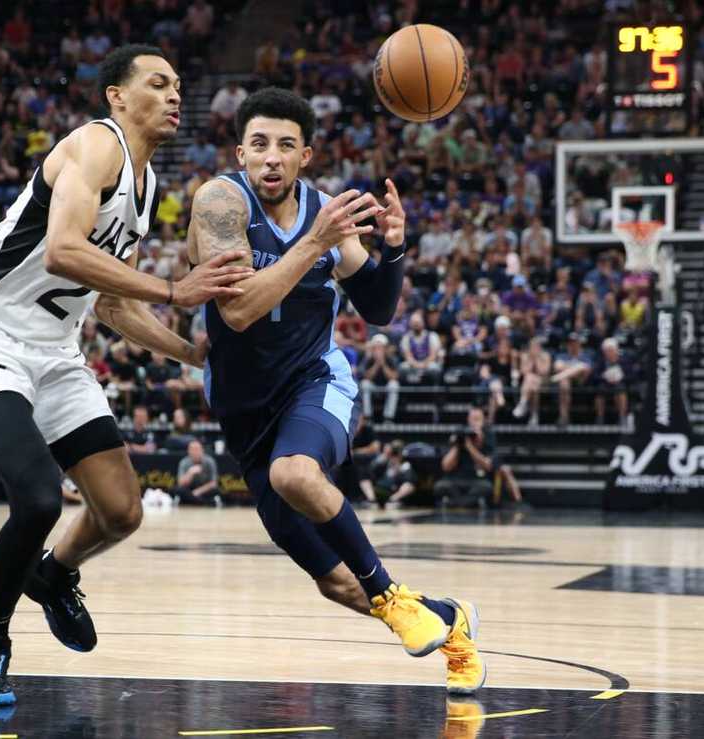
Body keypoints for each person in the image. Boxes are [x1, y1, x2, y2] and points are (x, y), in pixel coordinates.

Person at [0, 45, 252, 706]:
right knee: (41, 497)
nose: (173, 95)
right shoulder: (92, 146)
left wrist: (192, 355)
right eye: (157, 83)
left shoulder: (146, 184)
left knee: (122, 510)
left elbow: (110, 306)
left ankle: (50, 576)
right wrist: (174, 289)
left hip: (54, 349)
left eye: (178, 85)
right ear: (115, 96)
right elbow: (64, 249)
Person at [186, 87, 483, 694]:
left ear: (307, 156)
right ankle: (451, 621)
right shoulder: (220, 202)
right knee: (335, 582)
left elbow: (376, 308)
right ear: (240, 152)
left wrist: (393, 247)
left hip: (314, 382)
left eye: (286, 146)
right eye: (260, 145)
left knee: (293, 475)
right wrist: (315, 245)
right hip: (245, 416)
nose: (271, 157)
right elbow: (239, 312)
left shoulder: (327, 213)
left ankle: (392, 595)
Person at [434, 407, 496, 508]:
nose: (475, 423)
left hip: (477, 479)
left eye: (478, 419)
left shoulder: (488, 436)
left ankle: (455, 503)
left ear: (483, 421)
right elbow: (445, 466)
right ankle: (468, 503)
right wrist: (458, 445)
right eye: (473, 419)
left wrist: (471, 447)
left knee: (487, 487)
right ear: (468, 420)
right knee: (440, 486)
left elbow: (488, 466)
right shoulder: (460, 434)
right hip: (455, 479)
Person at [357, 334, 400, 421]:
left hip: (386, 386)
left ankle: (388, 417)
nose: (378, 351)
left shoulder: (392, 359)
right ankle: (367, 416)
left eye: (380, 348)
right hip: (374, 387)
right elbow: (367, 377)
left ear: (385, 349)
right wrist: (376, 364)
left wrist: (383, 364)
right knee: (364, 384)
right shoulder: (368, 359)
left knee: (394, 385)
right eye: (376, 348)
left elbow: (394, 377)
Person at [172, 439, 221, 505]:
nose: (195, 452)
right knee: (178, 490)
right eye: (192, 449)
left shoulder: (210, 461)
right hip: (189, 489)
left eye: (197, 449)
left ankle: (192, 501)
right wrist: (190, 473)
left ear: (202, 450)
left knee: (216, 490)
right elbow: (180, 483)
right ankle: (203, 502)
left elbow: (213, 483)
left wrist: (198, 491)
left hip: (204, 490)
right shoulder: (184, 462)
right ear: (188, 451)